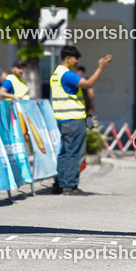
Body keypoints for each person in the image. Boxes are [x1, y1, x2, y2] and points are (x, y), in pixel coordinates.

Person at [50, 46, 111, 195]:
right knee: (74, 153)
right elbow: (89, 83)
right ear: (68, 58)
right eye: (76, 58)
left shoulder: (56, 73)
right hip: (73, 119)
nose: (77, 61)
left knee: (64, 152)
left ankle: (60, 184)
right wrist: (101, 67)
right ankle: (70, 186)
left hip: (62, 119)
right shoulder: (67, 74)